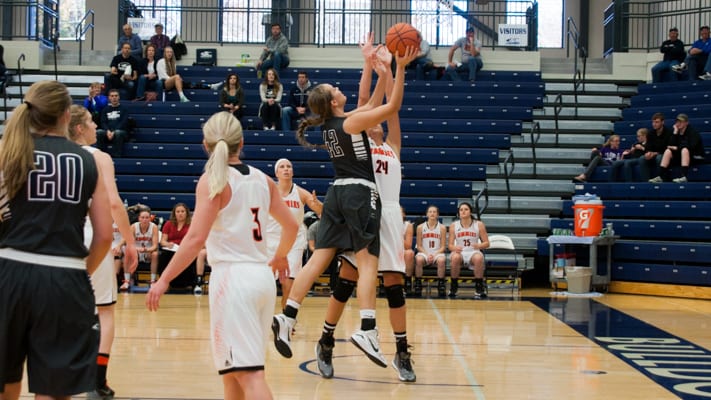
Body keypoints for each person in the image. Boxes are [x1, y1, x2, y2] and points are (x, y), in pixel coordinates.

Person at [271, 40, 418, 362]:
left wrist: (378, 69)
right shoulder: (350, 123)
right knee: (367, 262)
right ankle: (367, 327)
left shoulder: (332, 124)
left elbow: (372, 101)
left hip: (336, 193)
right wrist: (400, 68)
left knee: (319, 259)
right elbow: (390, 105)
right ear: (333, 101)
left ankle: (288, 315)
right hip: (358, 193)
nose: (340, 88)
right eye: (335, 88)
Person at [146, 111, 298, 400]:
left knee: (250, 376)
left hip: (233, 281)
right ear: (242, 142)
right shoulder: (264, 180)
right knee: (233, 374)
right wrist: (280, 256)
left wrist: (163, 280)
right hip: (262, 278)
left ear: (206, 145)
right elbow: (291, 225)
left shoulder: (213, 180)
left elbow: (195, 239)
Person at [0, 80, 113, 400]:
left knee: (5, 381)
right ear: (65, 115)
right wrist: (81, 272)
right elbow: (105, 235)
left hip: (10, 273)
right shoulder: (88, 161)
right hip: (64, 278)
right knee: (56, 389)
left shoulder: (8, 153)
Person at [314, 54, 417, 381]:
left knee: (395, 285)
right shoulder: (358, 145)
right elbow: (364, 100)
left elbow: (392, 106)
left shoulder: (393, 146)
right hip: (365, 207)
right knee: (346, 279)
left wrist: (393, 69)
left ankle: (402, 353)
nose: (375, 120)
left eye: (378, 118)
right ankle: (326, 341)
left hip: (390, 214)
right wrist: (373, 67)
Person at [67, 104, 139, 400]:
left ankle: (62, 373)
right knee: (105, 310)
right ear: (79, 128)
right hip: (92, 236)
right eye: (91, 122)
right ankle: (97, 380)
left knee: (64, 309)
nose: (96, 126)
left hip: (61, 238)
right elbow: (112, 202)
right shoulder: (100, 157)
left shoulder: (54, 154)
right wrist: (130, 241)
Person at [266, 158, 323, 310]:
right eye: (282, 167)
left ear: (292, 172)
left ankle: (286, 317)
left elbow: (320, 210)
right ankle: (263, 317)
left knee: (288, 284)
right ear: (276, 173)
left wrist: (319, 205)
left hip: (294, 242)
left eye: (289, 166)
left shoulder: (300, 193)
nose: (286, 169)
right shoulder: (269, 192)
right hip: (270, 241)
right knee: (266, 285)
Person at [159, 203, 205, 294]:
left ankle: (189, 283)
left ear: (186, 213)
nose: (180, 213)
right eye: (178, 212)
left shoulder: (192, 224)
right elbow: (162, 241)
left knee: (190, 256)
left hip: (187, 249)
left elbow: (196, 239)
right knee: (163, 255)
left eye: (182, 211)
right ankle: (165, 283)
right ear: (174, 213)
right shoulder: (168, 224)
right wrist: (168, 244)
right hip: (172, 249)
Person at [447, 202, 490, 298]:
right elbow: (450, 245)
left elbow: (487, 243)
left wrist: (479, 245)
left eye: (466, 209)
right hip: (460, 252)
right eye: (461, 210)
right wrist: (454, 248)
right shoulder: (454, 225)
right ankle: (453, 287)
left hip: (473, 252)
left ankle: (479, 287)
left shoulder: (479, 224)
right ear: (458, 212)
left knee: (478, 258)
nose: (463, 211)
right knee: (455, 258)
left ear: (470, 212)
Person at [649, 113, 705, 183]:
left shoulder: (692, 132)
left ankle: (683, 176)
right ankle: (660, 176)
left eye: (681, 122)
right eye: (677, 122)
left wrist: (677, 148)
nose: (678, 123)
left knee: (684, 150)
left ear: (686, 123)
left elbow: (692, 146)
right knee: (668, 151)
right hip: (682, 156)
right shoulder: (677, 132)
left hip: (695, 155)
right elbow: (670, 145)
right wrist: (675, 133)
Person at [414, 205, 447, 298]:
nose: (432, 213)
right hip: (424, 252)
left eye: (434, 212)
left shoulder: (442, 228)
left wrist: (434, 254)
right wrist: (428, 254)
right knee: (419, 259)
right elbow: (419, 246)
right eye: (430, 212)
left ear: (438, 215)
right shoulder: (420, 227)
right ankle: (418, 283)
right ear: (427, 214)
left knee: (441, 260)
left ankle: (441, 284)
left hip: (437, 252)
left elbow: (443, 246)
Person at [97, 89, 130, 158]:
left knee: (118, 132)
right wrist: (107, 131)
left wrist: (114, 131)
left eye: (116, 96)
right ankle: (100, 155)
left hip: (120, 132)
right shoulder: (105, 109)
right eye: (112, 96)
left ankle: (117, 155)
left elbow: (123, 123)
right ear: (109, 98)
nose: (114, 98)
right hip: (108, 132)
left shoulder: (124, 109)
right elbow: (103, 122)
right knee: (99, 132)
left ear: (119, 97)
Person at [131, 208, 160, 284]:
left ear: (150, 218)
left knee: (155, 254)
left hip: (148, 252)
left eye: (147, 217)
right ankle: (130, 279)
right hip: (136, 251)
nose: (145, 219)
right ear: (139, 218)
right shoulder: (133, 227)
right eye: (143, 217)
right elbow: (130, 244)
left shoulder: (154, 227)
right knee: (129, 253)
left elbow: (155, 246)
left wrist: (146, 250)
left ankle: (153, 280)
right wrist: (137, 249)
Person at [642, 112, 673, 181]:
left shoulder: (669, 132)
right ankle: (645, 181)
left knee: (659, 158)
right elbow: (647, 147)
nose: (654, 124)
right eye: (653, 122)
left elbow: (668, 148)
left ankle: (663, 179)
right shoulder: (650, 133)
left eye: (656, 122)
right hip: (653, 154)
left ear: (662, 122)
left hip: (665, 155)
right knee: (642, 158)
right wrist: (648, 153)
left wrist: (655, 153)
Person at [402, 206, 415, 294]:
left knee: (409, 253)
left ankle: (408, 281)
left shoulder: (408, 225)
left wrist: (397, 236)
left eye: (400, 212)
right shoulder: (389, 225)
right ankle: (383, 282)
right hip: (391, 250)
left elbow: (408, 246)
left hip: (403, 250)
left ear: (404, 214)